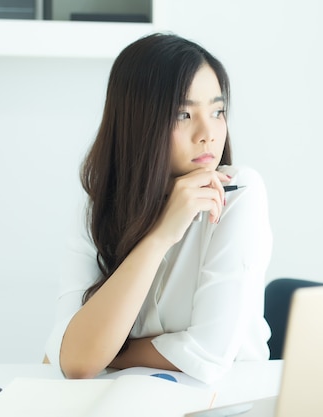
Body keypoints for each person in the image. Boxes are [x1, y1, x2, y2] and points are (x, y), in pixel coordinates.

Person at [44, 33, 272, 384]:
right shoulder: (97, 207)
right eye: (183, 113)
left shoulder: (239, 195)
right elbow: (75, 363)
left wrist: (106, 350)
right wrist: (160, 236)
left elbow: (207, 353)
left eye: (217, 111)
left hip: (227, 400)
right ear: (139, 121)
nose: (208, 133)